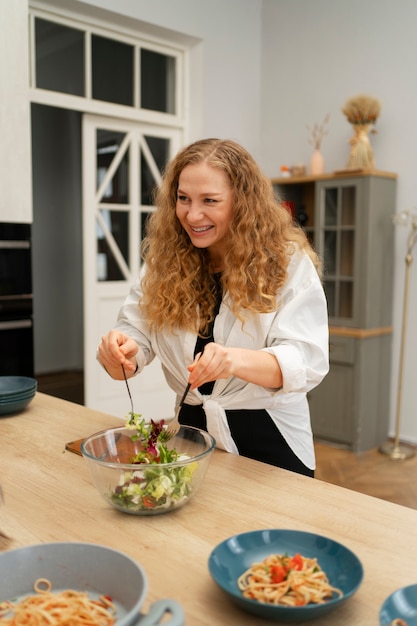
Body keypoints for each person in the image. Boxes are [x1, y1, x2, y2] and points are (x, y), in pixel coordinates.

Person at [97, 138, 329, 477]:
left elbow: (306, 361)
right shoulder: (165, 262)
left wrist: (234, 360)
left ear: (242, 202)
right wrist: (124, 353)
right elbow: (137, 333)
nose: (192, 215)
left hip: (271, 439)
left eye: (210, 201)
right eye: (183, 199)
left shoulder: (287, 263)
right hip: (193, 434)